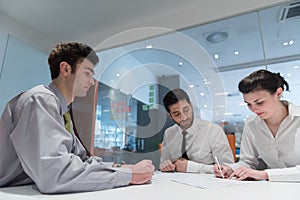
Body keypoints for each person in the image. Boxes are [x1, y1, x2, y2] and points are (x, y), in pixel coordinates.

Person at [0, 41, 154, 193]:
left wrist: (120, 168)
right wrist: (128, 176)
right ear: (66, 69)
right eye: (87, 73)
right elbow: (55, 174)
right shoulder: (41, 100)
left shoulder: (62, 113)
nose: (92, 82)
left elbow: (81, 159)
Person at [214, 69, 300, 182]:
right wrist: (231, 169)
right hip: (273, 189)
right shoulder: (251, 124)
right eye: (249, 104)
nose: (253, 109)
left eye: (259, 102)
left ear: (278, 93)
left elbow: (262, 173)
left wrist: (265, 174)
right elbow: (248, 162)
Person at [160, 88, 234, 173]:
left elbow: (227, 169)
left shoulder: (213, 131)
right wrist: (166, 166)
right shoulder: (169, 133)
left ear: (191, 105)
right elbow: (163, 163)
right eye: (176, 114)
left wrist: (190, 167)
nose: (184, 117)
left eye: (186, 110)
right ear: (169, 115)